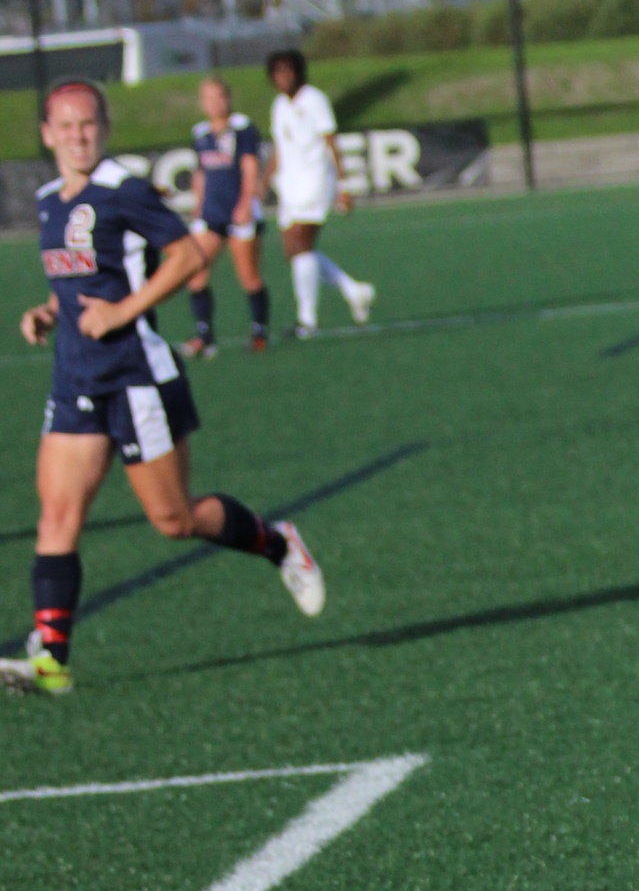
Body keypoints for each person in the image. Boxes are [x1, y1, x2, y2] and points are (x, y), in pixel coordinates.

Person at [0, 81, 325, 697]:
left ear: (106, 126)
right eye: (65, 126)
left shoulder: (123, 190)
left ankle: (278, 543)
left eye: (88, 123)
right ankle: (50, 660)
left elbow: (186, 257)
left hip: (137, 378)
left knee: (175, 520)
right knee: (58, 516)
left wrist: (122, 314)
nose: (77, 135)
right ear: (46, 135)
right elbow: (81, 279)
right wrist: (48, 311)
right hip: (75, 379)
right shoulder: (49, 201)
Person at [266, 50, 375, 339]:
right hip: (289, 185)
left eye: (288, 71)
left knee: (302, 244)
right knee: (293, 251)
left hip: (315, 181)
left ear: (299, 72)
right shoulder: (279, 105)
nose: (283, 77)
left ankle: (307, 321)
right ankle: (353, 290)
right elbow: (279, 146)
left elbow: (331, 141)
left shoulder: (314, 100)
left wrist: (344, 186)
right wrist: (263, 181)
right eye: (277, 72)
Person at [179, 75, 271, 358]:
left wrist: (246, 203)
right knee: (195, 276)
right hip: (211, 214)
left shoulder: (242, 129)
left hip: (238, 213)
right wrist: (198, 203)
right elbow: (200, 172)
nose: (214, 103)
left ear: (228, 98)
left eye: (219, 96)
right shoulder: (201, 133)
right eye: (208, 98)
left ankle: (259, 333)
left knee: (248, 277)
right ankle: (205, 337)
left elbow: (249, 167)